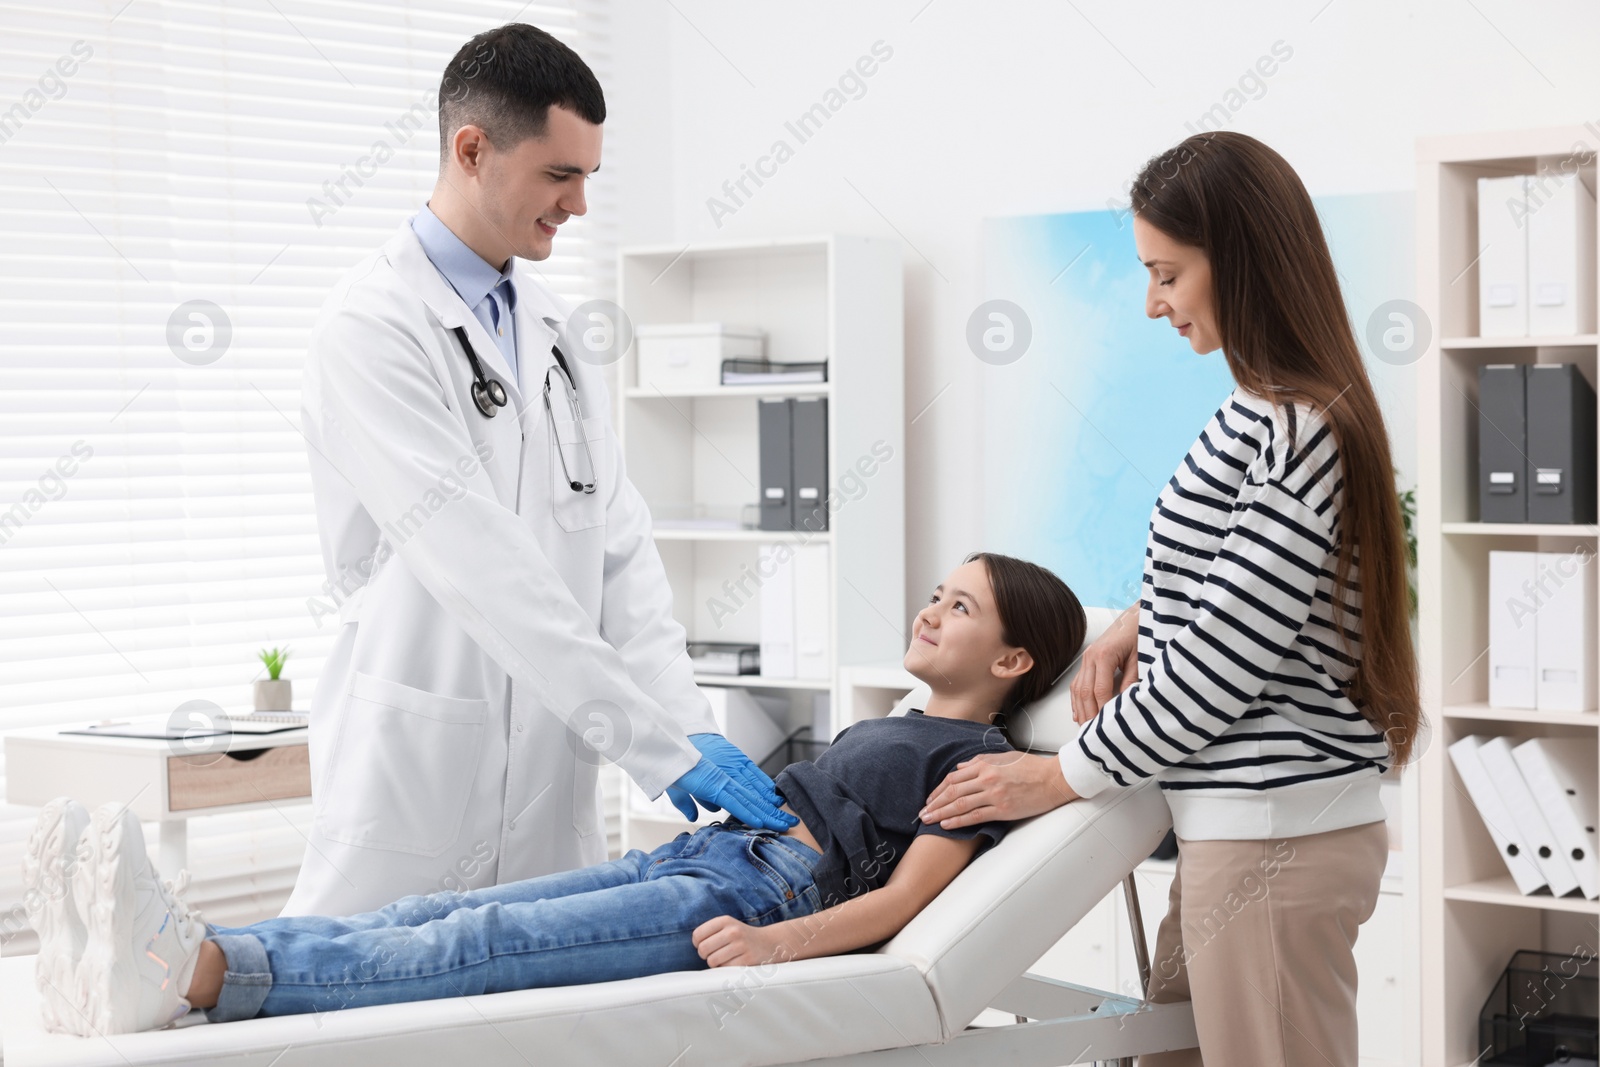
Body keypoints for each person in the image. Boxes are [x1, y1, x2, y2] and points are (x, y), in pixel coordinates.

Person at [26, 554, 1085, 1035]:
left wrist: (775, 947)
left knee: (478, 939)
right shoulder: (896, 715)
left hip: (759, 898)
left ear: (1012, 659)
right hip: (707, 855)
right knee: (431, 910)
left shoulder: (976, 764)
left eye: (961, 606)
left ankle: (198, 968)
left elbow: (902, 903)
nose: (932, 609)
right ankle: (167, 940)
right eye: (937, 592)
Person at [917, 132, 1421, 1067]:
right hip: (1234, 832)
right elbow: (1240, 580)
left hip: (1274, 838)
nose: (1154, 303)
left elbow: (1220, 672)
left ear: (1242, 261)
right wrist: (1134, 618)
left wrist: (1057, 775)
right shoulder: (1257, 414)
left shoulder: (1301, 431)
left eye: (1169, 274)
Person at [285, 22, 793, 919]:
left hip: (552, 780)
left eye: (589, 178)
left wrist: (688, 725)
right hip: (418, 762)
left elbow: (619, 552)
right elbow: (481, 564)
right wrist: (655, 746)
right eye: (560, 176)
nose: (579, 205)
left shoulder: (556, 333)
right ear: (472, 150)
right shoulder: (372, 327)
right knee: (363, 1010)